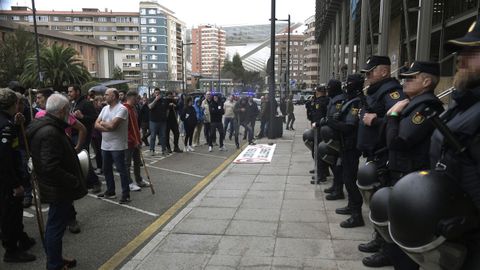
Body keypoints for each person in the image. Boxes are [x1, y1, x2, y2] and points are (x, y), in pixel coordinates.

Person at [428, 21, 480, 269]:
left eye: (472, 52)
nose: (462, 59)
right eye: (461, 52)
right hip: (455, 225)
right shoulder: (463, 101)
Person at [28, 93, 87, 269]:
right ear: (62, 111)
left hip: (57, 186)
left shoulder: (48, 125)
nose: (69, 113)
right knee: (55, 227)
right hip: (58, 188)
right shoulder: (50, 132)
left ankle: (56, 258)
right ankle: (54, 264)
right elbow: (50, 166)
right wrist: (72, 180)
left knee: (56, 225)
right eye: (67, 109)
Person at [357, 55, 405, 268]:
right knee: (377, 200)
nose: (367, 77)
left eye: (370, 72)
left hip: (386, 156)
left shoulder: (391, 92)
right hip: (375, 153)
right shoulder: (377, 91)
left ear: (384, 71)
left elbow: (398, 121)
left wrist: (374, 119)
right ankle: (379, 240)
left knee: (385, 203)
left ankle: (388, 251)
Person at [35, 88, 87, 235]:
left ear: (48, 99)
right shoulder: (39, 116)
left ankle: (71, 219)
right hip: (51, 163)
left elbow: (82, 129)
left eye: (39, 98)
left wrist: (76, 148)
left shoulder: (64, 115)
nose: (37, 100)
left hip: (63, 159)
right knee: (57, 199)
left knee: (65, 196)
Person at [0, 88, 36, 263]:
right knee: (10, 213)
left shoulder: (8, 122)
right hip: (7, 179)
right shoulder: (5, 125)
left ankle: (21, 238)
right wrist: (15, 184)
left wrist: (15, 124)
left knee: (15, 211)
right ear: (13, 104)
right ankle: (11, 250)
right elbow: (5, 158)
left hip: (8, 176)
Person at [325, 75, 365, 228]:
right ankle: (351, 206)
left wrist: (332, 122)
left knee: (349, 179)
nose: (346, 86)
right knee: (346, 176)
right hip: (344, 145)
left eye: (348, 84)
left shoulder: (356, 103)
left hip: (350, 146)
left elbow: (349, 126)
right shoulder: (350, 100)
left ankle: (356, 215)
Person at [95, 88, 131, 204]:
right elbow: (96, 124)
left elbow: (113, 126)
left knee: (122, 170)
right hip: (105, 145)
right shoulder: (105, 108)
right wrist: (105, 126)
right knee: (107, 169)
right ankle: (111, 191)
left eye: (106, 95)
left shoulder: (122, 109)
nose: (104, 96)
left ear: (114, 96)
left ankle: (126, 194)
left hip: (118, 145)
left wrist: (103, 124)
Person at [67, 85, 102, 194]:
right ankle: (87, 182)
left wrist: (82, 117)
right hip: (74, 134)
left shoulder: (86, 103)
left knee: (83, 158)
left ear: (77, 92)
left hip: (83, 135)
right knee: (78, 159)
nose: (69, 93)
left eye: (71, 91)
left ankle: (96, 182)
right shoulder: (74, 103)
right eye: (68, 92)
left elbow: (94, 118)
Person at [317, 79, 346, 196]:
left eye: (329, 88)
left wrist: (328, 120)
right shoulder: (333, 99)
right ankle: (336, 186)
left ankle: (339, 190)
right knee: (334, 163)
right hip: (332, 136)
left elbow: (336, 118)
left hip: (339, 137)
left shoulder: (340, 100)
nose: (327, 91)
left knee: (339, 165)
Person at [123, 90, 150, 191]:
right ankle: (129, 182)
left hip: (136, 140)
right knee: (127, 163)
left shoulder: (133, 109)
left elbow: (136, 126)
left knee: (137, 161)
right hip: (129, 142)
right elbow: (126, 129)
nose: (137, 101)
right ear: (132, 98)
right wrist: (134, 141)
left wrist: (139, 139)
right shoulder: (124, 109)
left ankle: (139, 180)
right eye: (136, 99)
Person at [309, 85, 330, 183]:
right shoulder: (321, 100)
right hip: (319, 128)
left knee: (318, 151)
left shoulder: (322, 101)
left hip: (320, 129)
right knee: (317, 150)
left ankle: (321, 174)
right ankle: (322, 170)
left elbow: (319, 116)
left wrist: (316, 124)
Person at [148, 88, 168, 156]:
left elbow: (166, 109)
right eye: (156, 93)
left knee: (163, 136)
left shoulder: (163, 100)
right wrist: (155, 100)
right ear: (154, 93)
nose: (157, 94)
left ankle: (164, 150)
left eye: (158, 93)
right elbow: (150, 107)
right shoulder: (151, 99)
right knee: (153, 136)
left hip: (162, 121)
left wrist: (165, 117)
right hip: (153, 121)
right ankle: (151, 150)